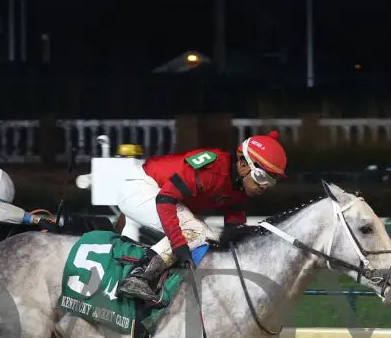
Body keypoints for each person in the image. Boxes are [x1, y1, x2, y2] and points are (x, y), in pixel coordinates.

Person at [114, 130, 288, 305]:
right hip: (142, 187)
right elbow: (165, 200)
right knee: (194, 232)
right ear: (243, 164)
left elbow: (233, 234)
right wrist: (179, 246)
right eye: (261, 177)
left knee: (210, 239)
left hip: (163, 196)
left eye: (270, 182)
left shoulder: (240, 190)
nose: (263, 186)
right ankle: (139, 275)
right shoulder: (212, 167)